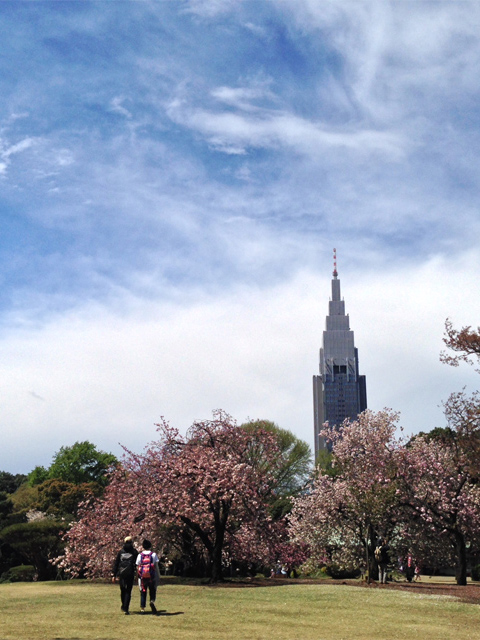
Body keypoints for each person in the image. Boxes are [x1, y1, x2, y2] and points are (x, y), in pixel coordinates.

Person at [113, 536, 138, 615]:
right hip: (130, 573)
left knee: (123, 590)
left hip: (122, 573)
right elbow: (137, 563)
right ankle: (126, 608)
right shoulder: (134, 552)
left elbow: (116, 563)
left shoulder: (121, 552)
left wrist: (114, 574)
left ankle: (123, 605)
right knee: (128, 591)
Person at [136, 539, 161, 614]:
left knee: (143, 591)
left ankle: (142, 608)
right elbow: (156, 566)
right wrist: (158, 576)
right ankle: (152, 601)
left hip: (143, 576)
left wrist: (138, 576)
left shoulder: (140, 555)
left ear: (143, 546)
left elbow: (138, 566)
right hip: (152, 576)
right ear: (150, 546)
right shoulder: (153, 555)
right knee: (152, 590)